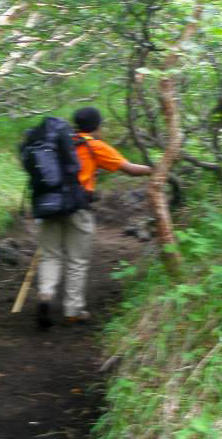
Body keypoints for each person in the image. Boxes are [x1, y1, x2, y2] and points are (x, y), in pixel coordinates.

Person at [36, 106, 152, 328]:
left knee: (50, 256)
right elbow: (129, 169)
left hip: (49, 206)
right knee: (76, 260)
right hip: (77, 208)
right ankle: (73, 310)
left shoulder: (56, 142)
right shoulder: (93, 145)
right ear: (97, 126)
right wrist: (154, 169)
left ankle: (45, 294)